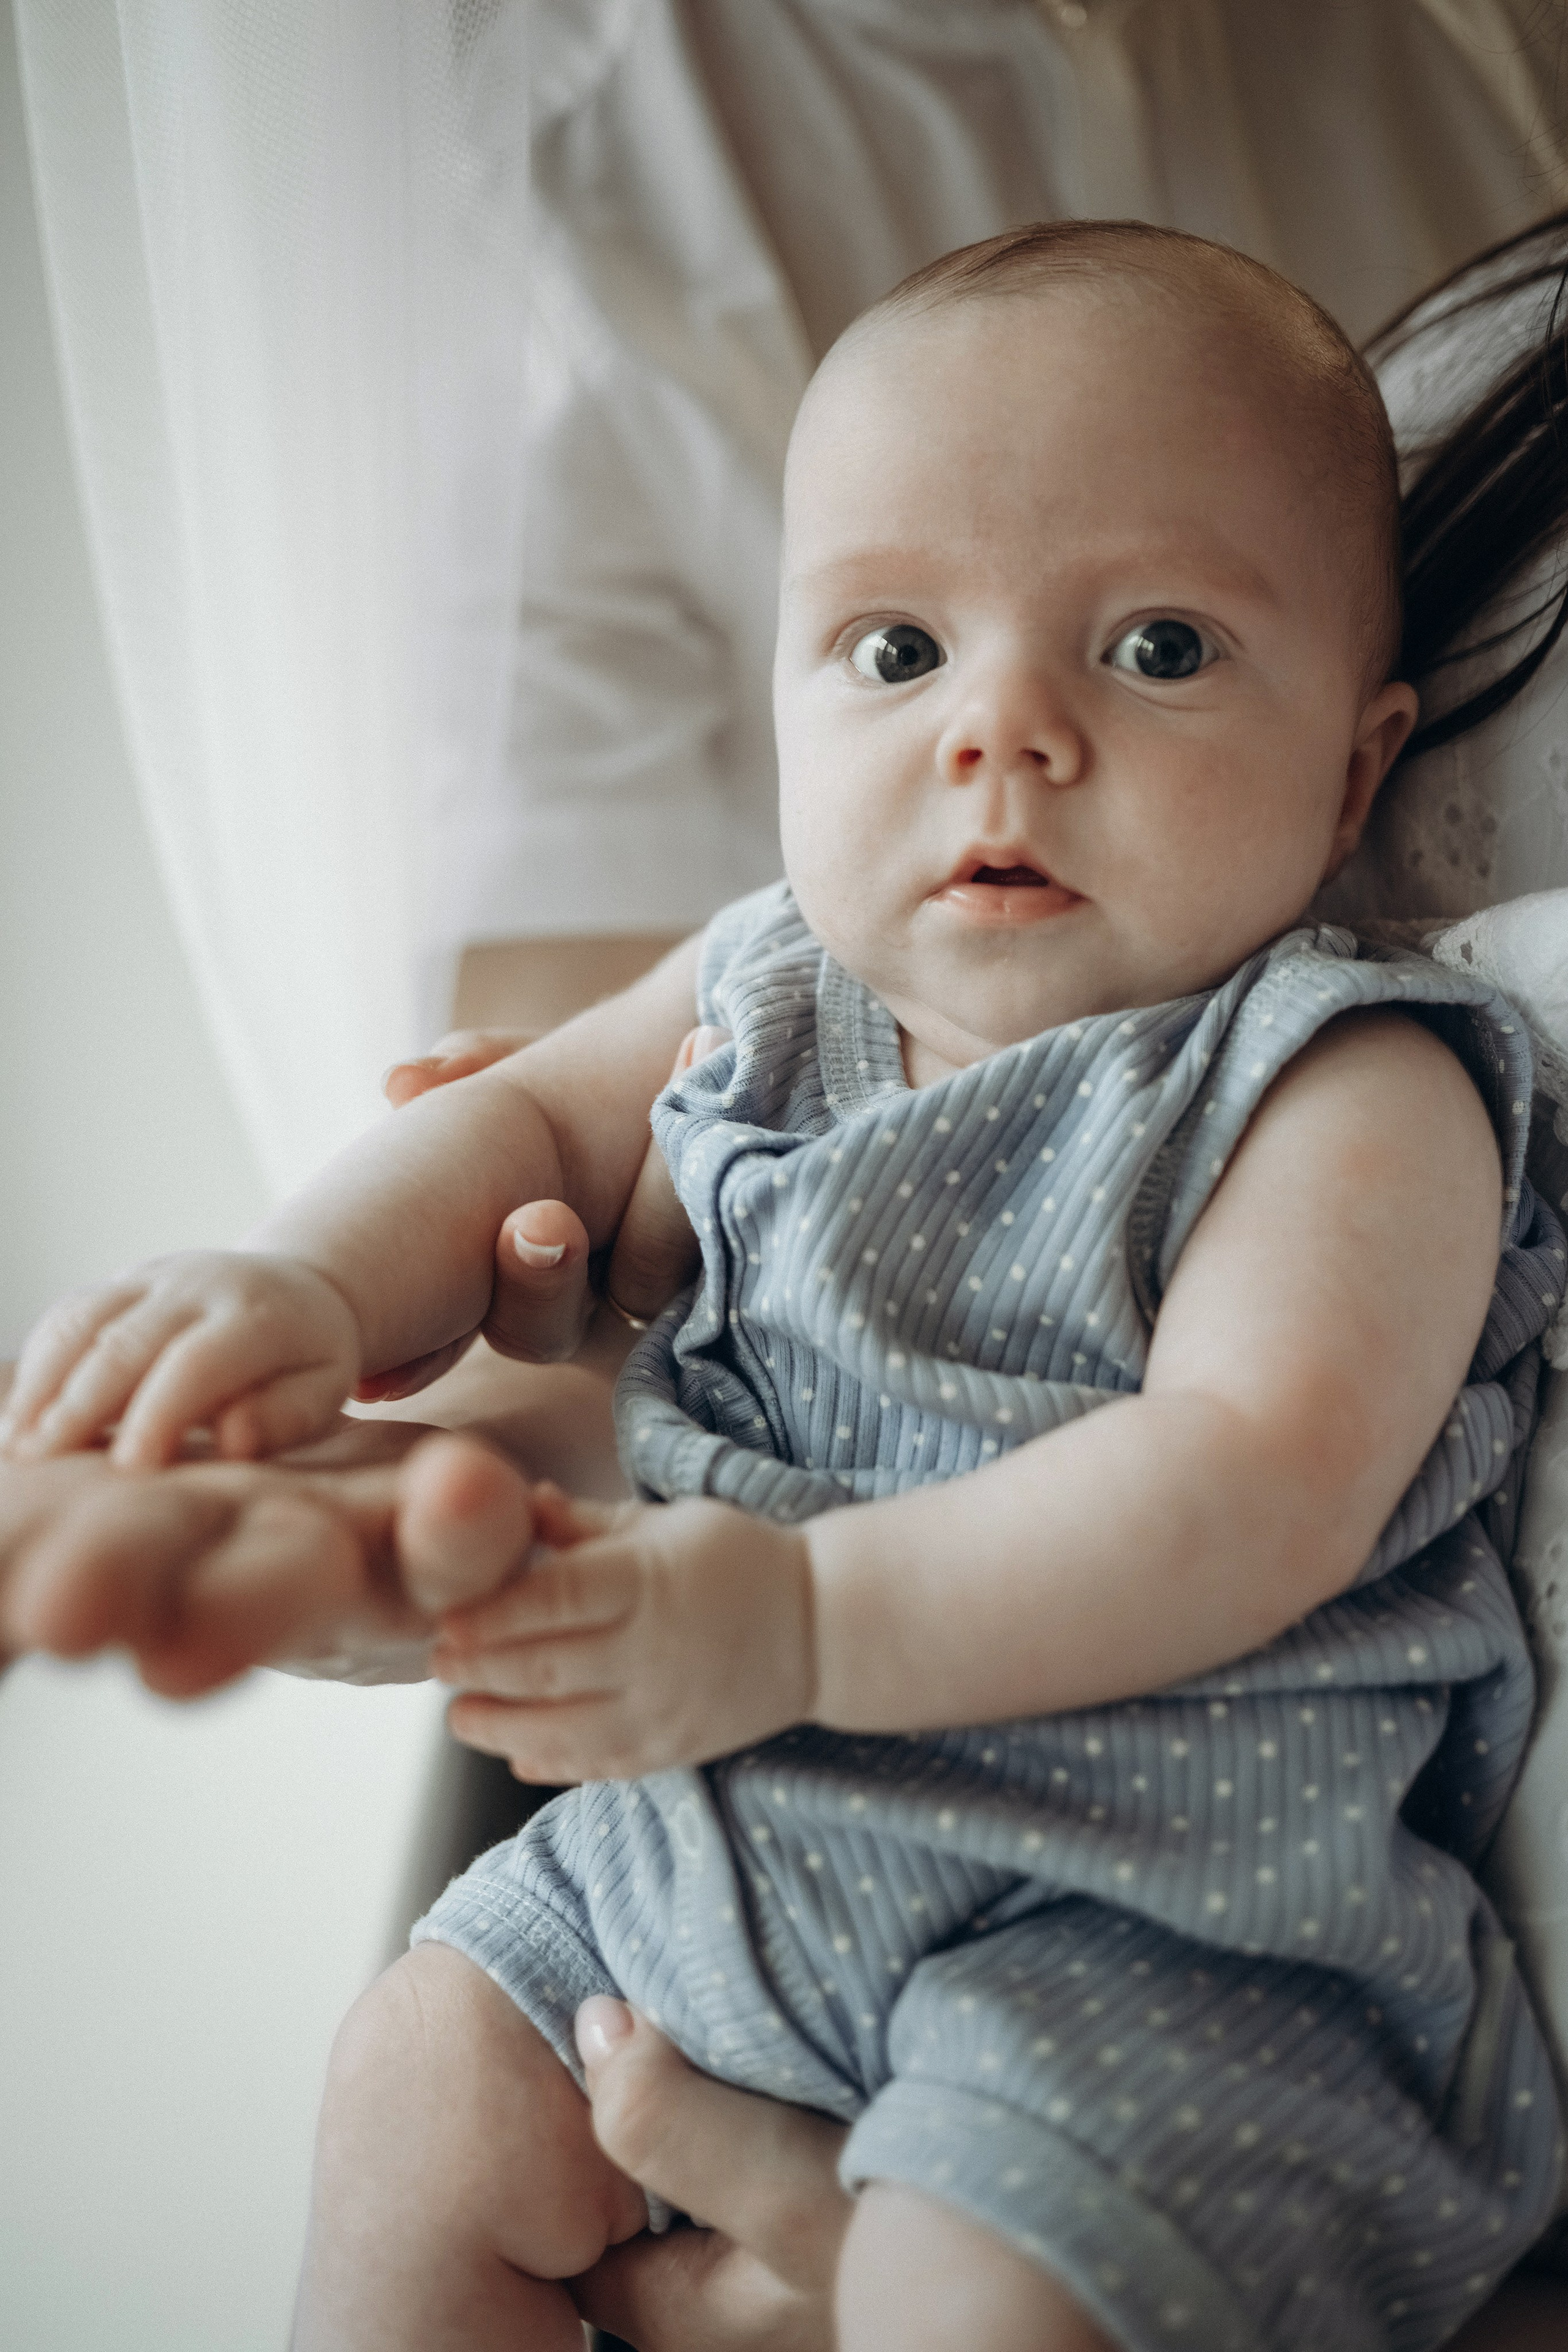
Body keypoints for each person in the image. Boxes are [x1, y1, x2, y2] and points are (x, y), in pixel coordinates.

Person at [7, 218, 1565, 2350]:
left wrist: (799, 1620)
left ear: (1361, 769)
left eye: (1164, 651)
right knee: (415, 2087)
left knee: (976, 2285)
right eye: (898, 651)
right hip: (719, 1856)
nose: (1000, 733)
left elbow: (1258, 1471)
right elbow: (515, 1137)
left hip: (1155, 1921)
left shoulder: (1340, 1077)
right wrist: (296, 1288)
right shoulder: (763, 982)